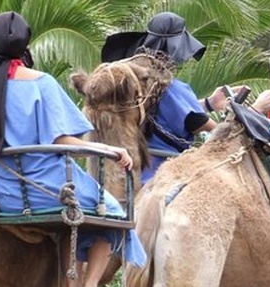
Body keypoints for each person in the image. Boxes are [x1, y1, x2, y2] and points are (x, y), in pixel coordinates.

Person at [0, 11, 145, 287]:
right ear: (25, 44)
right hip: (46, 188)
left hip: (6, 192)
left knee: (71, 220)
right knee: (113, 212)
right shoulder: (42, 83)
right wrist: (111, 150)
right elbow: (63, 142)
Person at [101, 12, 242, 185]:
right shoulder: (171, 87)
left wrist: (209, 104)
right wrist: (242, 120)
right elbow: (197, 122)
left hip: (132, 174)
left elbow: (167, 113)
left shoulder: (138, 85)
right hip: (163, 175)